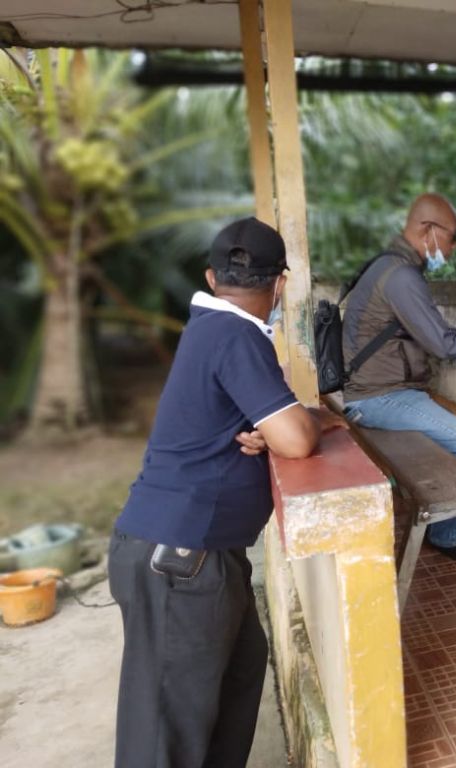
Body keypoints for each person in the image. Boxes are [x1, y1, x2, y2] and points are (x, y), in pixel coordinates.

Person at [108, 217, 323, 768]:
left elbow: (275, 424)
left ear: (211, 274)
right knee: (167, 736)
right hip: (179, 558)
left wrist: (276, 423)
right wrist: (297, 424)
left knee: (242, 668)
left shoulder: (213, 328)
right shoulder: (233, 334)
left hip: (198, 554)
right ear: (280, 283)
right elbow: (296, 439)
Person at [339, 193, 456, 562]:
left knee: (453, 437)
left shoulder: (389, 267)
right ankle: (447, 535)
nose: (452, 249)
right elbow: (441, 344)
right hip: (377, 397)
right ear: (428, 231)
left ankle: (440, 523)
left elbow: (430, 331)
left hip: (375, 390)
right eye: (451, 238)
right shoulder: (401, 276)